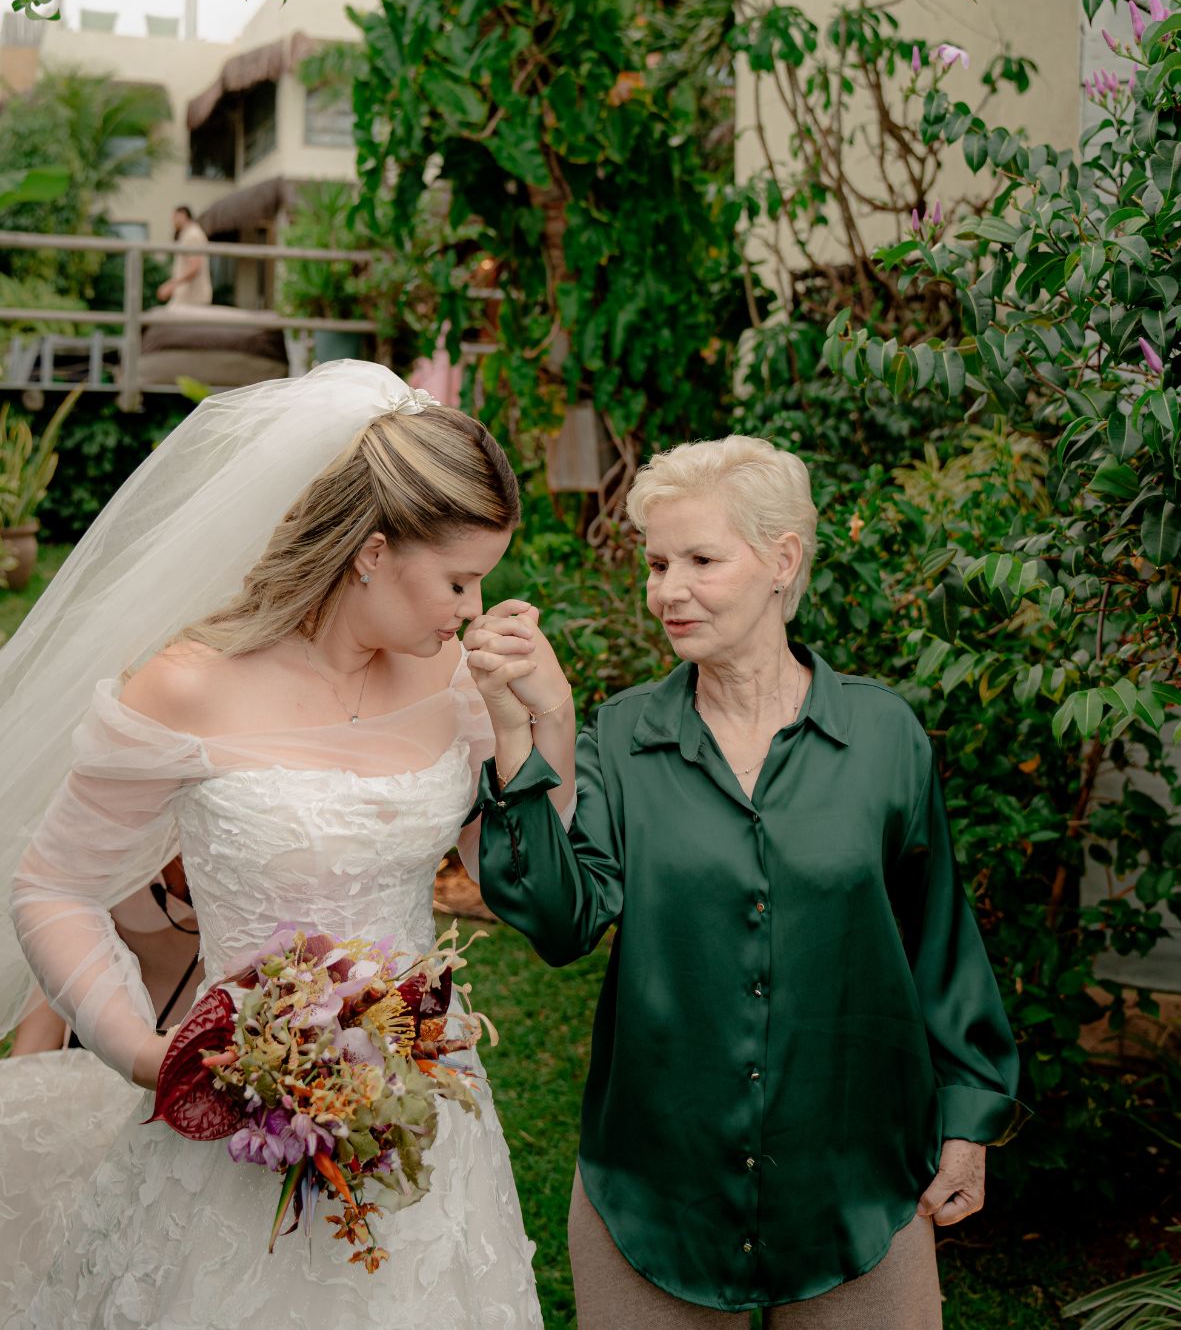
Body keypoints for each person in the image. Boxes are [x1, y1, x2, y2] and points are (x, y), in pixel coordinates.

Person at [1, 362, 575, 1327]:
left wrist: (546, 729)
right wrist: (148, 1053)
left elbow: (520, 882)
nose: (473, 610)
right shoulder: (189, 687)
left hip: (421, 1117)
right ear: (371, 552)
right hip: (232, 1113)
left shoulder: (455, 686)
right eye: (459, 579)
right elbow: (51, 886)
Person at [465, 435, 1024, 1329]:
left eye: (699, 560)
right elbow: (560, 923)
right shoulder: (618, 736)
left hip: (859, 1183)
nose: (666, 590)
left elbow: (938, 940)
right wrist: (527, 727)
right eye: (654, 563)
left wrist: (966, 1119)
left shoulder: (883, 736)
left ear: (781, 561)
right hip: (654, 1192)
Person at [0, 873, 199, 1324]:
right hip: (90, 1067)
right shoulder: (116, 832)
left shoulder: (249, 846)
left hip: (185, 1095)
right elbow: (59, 961)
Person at [158, 202, 213, 306]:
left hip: (192, 298)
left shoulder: (193, 235)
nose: (172, 221)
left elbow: (195, 266)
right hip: (187, 297)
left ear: (182, 215)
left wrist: (171, 285)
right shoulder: (189, 234)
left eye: (174, 217)